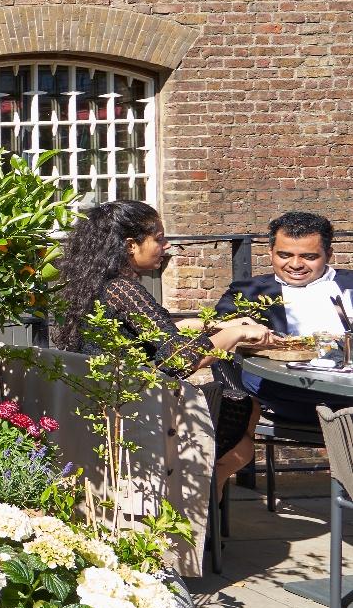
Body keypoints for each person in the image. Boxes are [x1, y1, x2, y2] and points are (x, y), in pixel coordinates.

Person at [57, 200, 274, 489]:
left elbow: (159, 332)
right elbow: (180, 359)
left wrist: (220, 325)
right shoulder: (123, 289)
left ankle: (210, 497)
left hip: (112, 406)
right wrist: (236, 336)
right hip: (140, 417)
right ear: (131, 245)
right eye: (159, 239)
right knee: (242, 422)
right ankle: (206, 502)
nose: (167, 246)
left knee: (242, 424)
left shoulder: (95, 286)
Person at [214, 210, 353, 424]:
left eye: (309, 256)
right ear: (270, 252)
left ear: (329, 253)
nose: (296, 264)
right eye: (284, 255)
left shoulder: (349, 284)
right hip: (285, 392)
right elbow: (214, 337)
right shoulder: (248, 293)